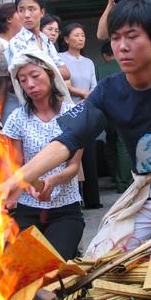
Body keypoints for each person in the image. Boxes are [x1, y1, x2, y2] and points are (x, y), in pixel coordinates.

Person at [0, 0, 151, 271]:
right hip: (144, 196)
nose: (122, 47)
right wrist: (16, 180)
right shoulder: (108, 91)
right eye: (115, 37)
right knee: (97, 267)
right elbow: (67, 141)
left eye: (132, 37)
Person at [3, 49, 84, 260]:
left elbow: (74, 167)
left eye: (35, 76)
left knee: (54, 264)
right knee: (20, 266)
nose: (30, 84)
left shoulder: (73, 114)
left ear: (50, 74)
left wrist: (54, 180)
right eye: (23, 80)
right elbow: (16, 164)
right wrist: (25, 182)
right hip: (28, 208)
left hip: (66, 209)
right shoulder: (17, 119)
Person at [59, 23, 101, 209]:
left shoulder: (89, 62)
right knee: (69, 155)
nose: (81, 38)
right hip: (68, 111)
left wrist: (89, 96)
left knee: (89, 155)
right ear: (67, 39)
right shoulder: (60, 59)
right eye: (76, 35)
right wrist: (82, 93)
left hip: (86, 111)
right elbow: (63, 84)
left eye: (83, 35)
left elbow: (94, 85)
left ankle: (93, 199)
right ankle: (73, 199)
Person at [6, 0, 70, 81]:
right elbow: (26, 77)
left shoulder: (46, 41)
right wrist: (52, 71)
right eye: (21, 10)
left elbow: (66, 73)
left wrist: (42, 72)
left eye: (31, 9)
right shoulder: (16, 42)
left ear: (42, 12)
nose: (26, 15)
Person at [96, 41, 132, 194]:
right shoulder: (126, 66)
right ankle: (123, 183)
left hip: (106, 112)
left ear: (104, 55)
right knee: (123, 145)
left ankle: (113, 175)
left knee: (110, 142)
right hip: (125, 110)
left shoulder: (98, 69)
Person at [0, 3, 21, 124]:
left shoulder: (20, 43)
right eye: (20, 11)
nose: (25, 15)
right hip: (3, 104)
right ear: (9, 18)